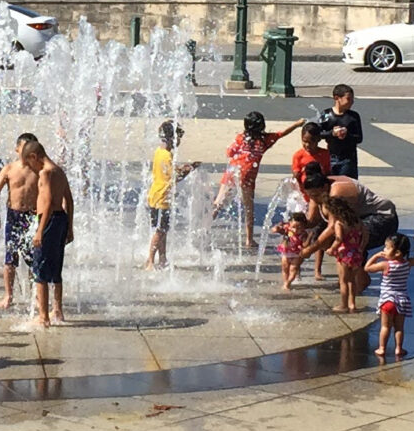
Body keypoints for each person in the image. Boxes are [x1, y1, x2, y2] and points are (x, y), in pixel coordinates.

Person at [298, 165, 398, 303]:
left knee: (348, 242)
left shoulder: (337, 192)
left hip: (383, 218)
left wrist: (310, 249)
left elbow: (333, 227)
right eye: (310, 196)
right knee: (323, 237)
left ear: (325, 188)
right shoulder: (318, 188)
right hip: (360, 219)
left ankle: (359, 280)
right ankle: (354, 278)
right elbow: (312, 221)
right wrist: (296, 226)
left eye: (315, 196)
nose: (313, 199)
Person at [209, 112, 291, 251]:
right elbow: (282, 133)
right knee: (248, 209)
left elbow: (229, 152)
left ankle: (202, 229)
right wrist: (297, 124)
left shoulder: (241, 138)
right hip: (247, 178)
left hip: (232, 173)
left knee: (219, 203)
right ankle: (249, 239)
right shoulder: (265, 141)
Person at [0, 133, 43, 310]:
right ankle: (8, 295)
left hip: (31, 217)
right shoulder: (9, 168)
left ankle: (35, 295)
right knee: (10, 259)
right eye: (24, 147)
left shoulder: (38, 169)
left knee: (33, 258)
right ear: (17, 148)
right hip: (13, 217)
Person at [28, 138, 73, 327]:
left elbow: (46, 204)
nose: (30, 167)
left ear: (34, 156)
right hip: (61, 219)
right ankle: (58, 311)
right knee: (56, 268)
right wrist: (70, 227)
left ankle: (44, 316)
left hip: (49, 221)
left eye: (28, 162)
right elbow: (69, 201)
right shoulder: (59, 171)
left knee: (40, 270)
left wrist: (39, 231)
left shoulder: (45, 173)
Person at [141, 120, 193, 270]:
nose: (179, 142)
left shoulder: (160, 152)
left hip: (155, 195)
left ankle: (162, 258)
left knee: (162, 230)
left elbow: (167, 171)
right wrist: (189, 170)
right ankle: (150, 260)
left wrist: (181, 168)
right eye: (179, 138)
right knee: (161, 230)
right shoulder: (167, 156)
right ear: (172, 138)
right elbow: (175, 178)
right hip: (162, 197)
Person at [368, 233, 414, 358]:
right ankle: (399, 348)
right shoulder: (407, 263)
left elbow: (367, 268)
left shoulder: (386, 265)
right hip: (402, 301)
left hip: (387, 302)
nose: (384, 250)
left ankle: (382, 348)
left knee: (385, 327)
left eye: (387, 248)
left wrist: (376, 256)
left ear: (397, 253)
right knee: (399, 328)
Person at [319, 84, 365, 179]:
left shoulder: (353, 116)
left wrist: (346, 135)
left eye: (352, 99)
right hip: (331, 156)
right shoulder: (326, 114)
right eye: (348, 99)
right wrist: (332, 133)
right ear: (337, 98)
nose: (351, 102)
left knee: (346, 185)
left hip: (348, 158)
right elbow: (318, 133)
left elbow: (359, 138)